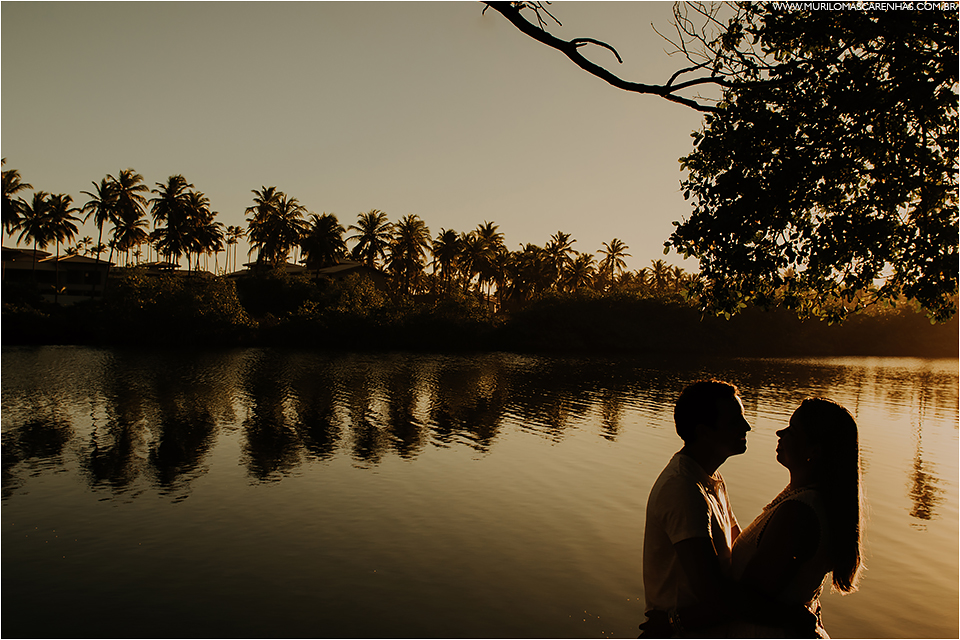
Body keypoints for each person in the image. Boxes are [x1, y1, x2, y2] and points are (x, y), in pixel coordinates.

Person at [727, 397, 864, 638]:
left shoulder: (799, 512)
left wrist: (676, 621)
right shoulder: (804, 498)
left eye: (792, 430)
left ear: (813, 450)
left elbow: (747, 601)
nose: (780, 432)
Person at [639, 379, 751, 637]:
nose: (746, 426)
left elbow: (740, 548)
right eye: (735, 421)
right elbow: (711, 592)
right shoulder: (683, 487)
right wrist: (784, 612)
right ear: (704, 431)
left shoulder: (710, 477)